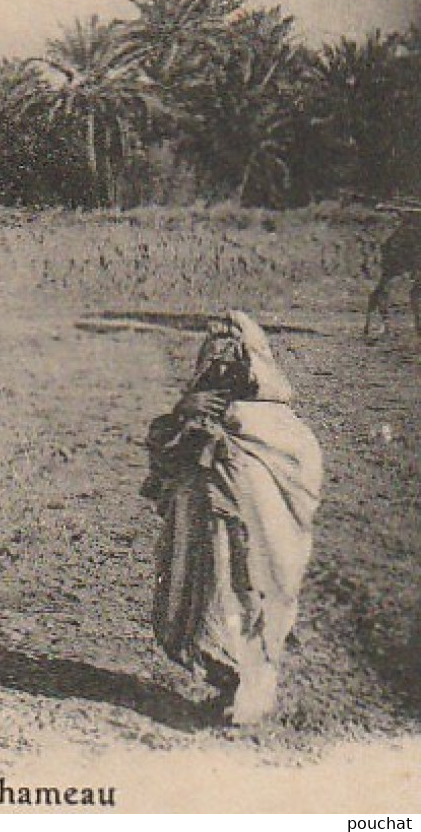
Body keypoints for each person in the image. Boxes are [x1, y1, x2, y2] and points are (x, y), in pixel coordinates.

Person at [142, 311, 323, 725]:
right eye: (215, 361)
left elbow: (296, 481)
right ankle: (227, 687)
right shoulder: (198, 414)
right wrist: (185, 412)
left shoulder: (278, 426)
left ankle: (250, 699)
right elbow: (163, 454)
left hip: (257, 546)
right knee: (211, 605)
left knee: (251, 604)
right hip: (207, 540)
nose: (224, 369)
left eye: (233, 360)